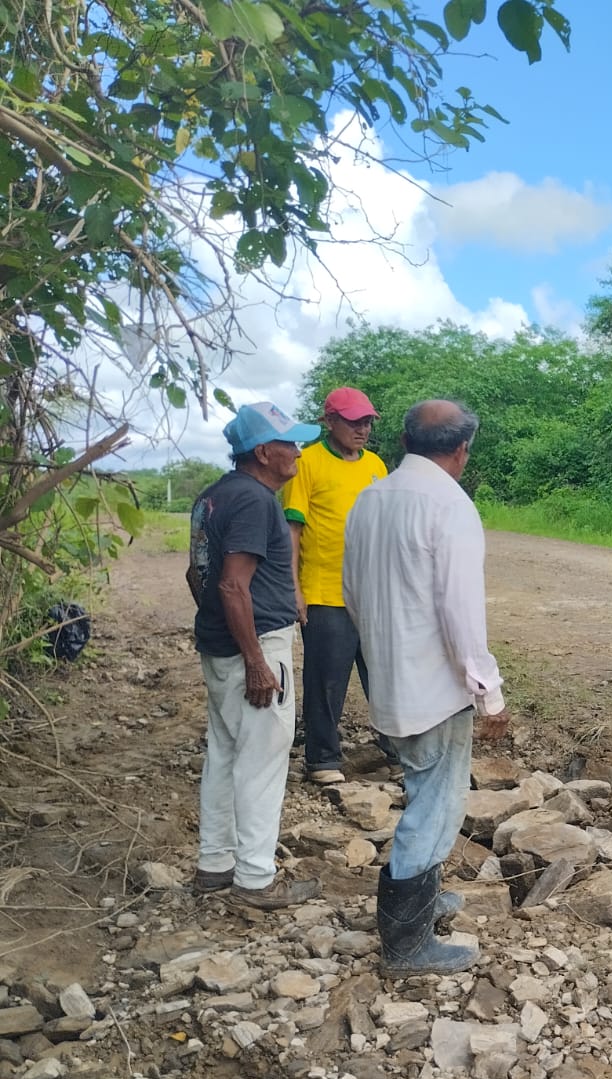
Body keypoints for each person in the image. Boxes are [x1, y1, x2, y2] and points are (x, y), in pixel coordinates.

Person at [343, 400, 507, 975]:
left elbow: (353, 592)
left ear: (406, 442)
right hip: (435, 687)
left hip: (390, 676)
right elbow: (461, 614)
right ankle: (406, 946)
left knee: (424, 791)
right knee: (435, 805)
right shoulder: (450, 505)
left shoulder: (370, 497)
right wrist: (489, 692)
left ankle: (422, 902)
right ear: (461, 450)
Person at [186, 402, 325, 909]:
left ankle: (215, 864)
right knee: (262, 762)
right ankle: (255, 879)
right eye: (290, 444)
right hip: (257, 645)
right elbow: (231, 585)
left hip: (221, 645)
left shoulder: (212, 496)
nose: (298, 453)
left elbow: (197, 575)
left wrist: (221, 631)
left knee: (225, 754)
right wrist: (256, 661)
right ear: (263, 452)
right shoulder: (255, 501)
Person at [283, 386, 389, 785]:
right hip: (325, 591)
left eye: (367, 422)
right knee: (326, 680)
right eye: (353, 421)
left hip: (373, 593)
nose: (363, 429)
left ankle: (398, 749)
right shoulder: (307, 462)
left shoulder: (376, 465)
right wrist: (294, 588)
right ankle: (322, 759)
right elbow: (292, 530)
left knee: (385, 675)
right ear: (329, 421)